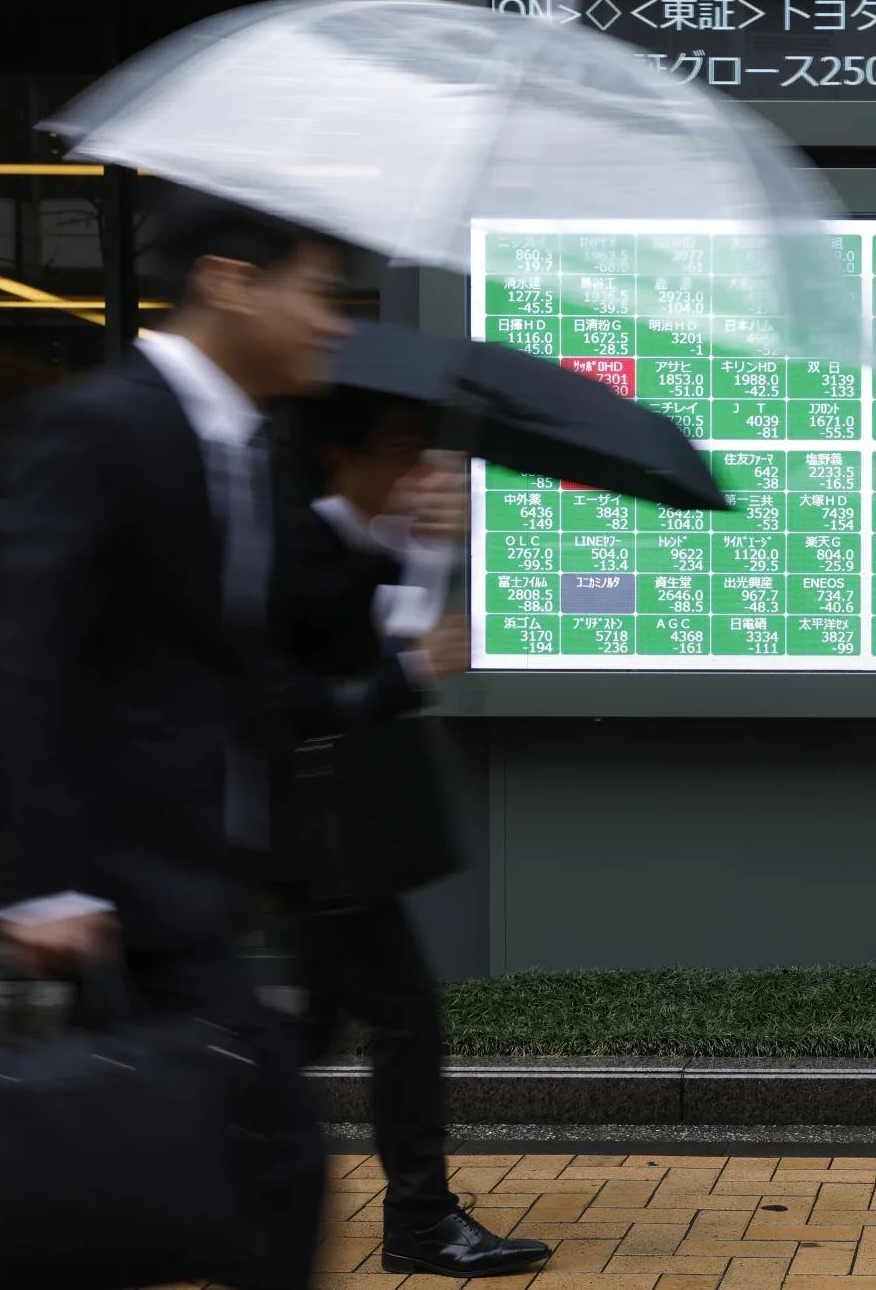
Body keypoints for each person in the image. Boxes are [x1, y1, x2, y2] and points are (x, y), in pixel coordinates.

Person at [0, 188, 346, 1290]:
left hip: (197, 873)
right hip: (116, 886)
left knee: (146, 1165)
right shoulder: (102, 426)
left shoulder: (245, 450)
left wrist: (402, 542)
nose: (332, 322)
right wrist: (44, 882)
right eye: (318, 293)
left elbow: (263, 651)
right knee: (273, 1153)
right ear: (228, 281)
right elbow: (30, 653)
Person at [268, 389, 551, 1279]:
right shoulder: (291, 546)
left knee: (312, 1024)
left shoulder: (346, 542)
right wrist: (414, 664)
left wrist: (430, 546)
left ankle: (180, 1160)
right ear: (339, 456)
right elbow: (294, 698)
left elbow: (386, 638)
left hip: (336, 831)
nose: (418, 465)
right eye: (400, 446)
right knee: (405, 1016)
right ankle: (421, 1218)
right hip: (318, 835)